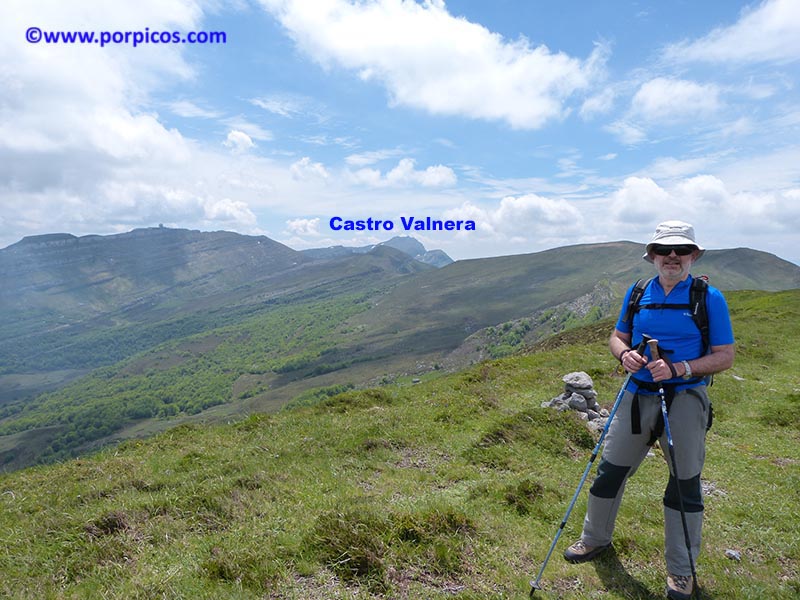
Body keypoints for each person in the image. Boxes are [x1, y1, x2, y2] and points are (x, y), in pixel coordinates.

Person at [563, 221, 735, 600]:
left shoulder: (709, 298)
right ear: (652, 255)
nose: (672, 257)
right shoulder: (638, 291)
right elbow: (617, 336)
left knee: (684, 483)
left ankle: (681, 571)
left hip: (685, 397)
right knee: (610, 471)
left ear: (693, 256)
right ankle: (594, 539)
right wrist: (624, 354)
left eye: (681, 250)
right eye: (664, 250)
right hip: (637, 395)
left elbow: (725, 356)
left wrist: (680, 368)